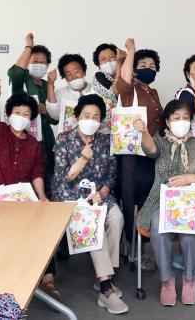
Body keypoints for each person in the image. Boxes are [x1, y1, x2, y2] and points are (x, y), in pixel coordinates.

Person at [136, 99, 195, 306]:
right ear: (167, 122)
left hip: (194, 203)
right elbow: (150, 150)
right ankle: (166, 280)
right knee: (159, 226)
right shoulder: (161, 142)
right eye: (176, 118)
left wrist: (193, 178)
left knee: (190, 229)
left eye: (185, 117)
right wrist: (144, 131)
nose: (181, 121)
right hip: (162, 201)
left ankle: (189, 277)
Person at [0, 79, 57, 298]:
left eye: (26, 114)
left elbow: (37, 173)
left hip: (21, 200)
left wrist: (42, 197)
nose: (21, 117)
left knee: (43, 227)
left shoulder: (33, 144)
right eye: (17, 112)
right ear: (8, 114)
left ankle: (47, 280)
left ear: (31, 118)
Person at [52, 94, 128, 315]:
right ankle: (106, 288)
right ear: (77, 116)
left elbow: (111, 176)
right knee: (93, 222)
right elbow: (62, 179)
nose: (91, 120)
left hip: (98, 196)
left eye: (96, 117)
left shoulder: (105, 141)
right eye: (86, 115)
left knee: (117, 217)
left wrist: (103, 192)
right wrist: (83, 159)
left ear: (101, 120)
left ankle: (104, 276)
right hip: (71, 196)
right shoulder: (64, 139)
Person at [114, 38, 164, 269]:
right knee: (129, 199)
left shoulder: (153, 92)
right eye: (143, 65)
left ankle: (140, 246)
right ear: (134, 69)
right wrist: (131, 52)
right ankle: (129, 247)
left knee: (147, 199)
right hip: (130, 154)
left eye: (152, 66)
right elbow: (124, 79)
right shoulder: (128, 90)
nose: (148, 69)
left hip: (150, 154)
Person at [7, 33, 57, 186]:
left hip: (46, 138)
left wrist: (46, 111)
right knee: (26, 177)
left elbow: (55, 119)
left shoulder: (47, 84)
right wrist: (28, 46)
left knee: (46, 175)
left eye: (43, 62)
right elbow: (16, 72)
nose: (39, 65)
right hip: (24, 136)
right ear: (28, 62)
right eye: (35, 61)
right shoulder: (22, 81)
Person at [47, 53, 93, 121]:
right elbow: (54, 115)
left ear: (84, 71)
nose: (74, 77)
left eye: (76, 72)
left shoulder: (95, 89)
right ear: (65, 77)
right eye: (69, 74)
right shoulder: (60, 93)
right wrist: (50, 84)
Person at [90, 43, 126, 110]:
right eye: (103, 59)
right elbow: (116, 92)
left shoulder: (125, 72)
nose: (108, 61)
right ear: (98, 64)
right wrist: (119, 65)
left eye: (111, 57)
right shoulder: (99, 77)